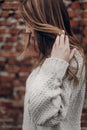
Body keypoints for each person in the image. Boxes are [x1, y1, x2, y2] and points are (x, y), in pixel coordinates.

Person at [19, 0, 86, 130]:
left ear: (43, 21)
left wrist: (56, 65)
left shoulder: (71, 58)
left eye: (30, 22)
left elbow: (44, 115)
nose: (27, 30)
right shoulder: (51, 57)